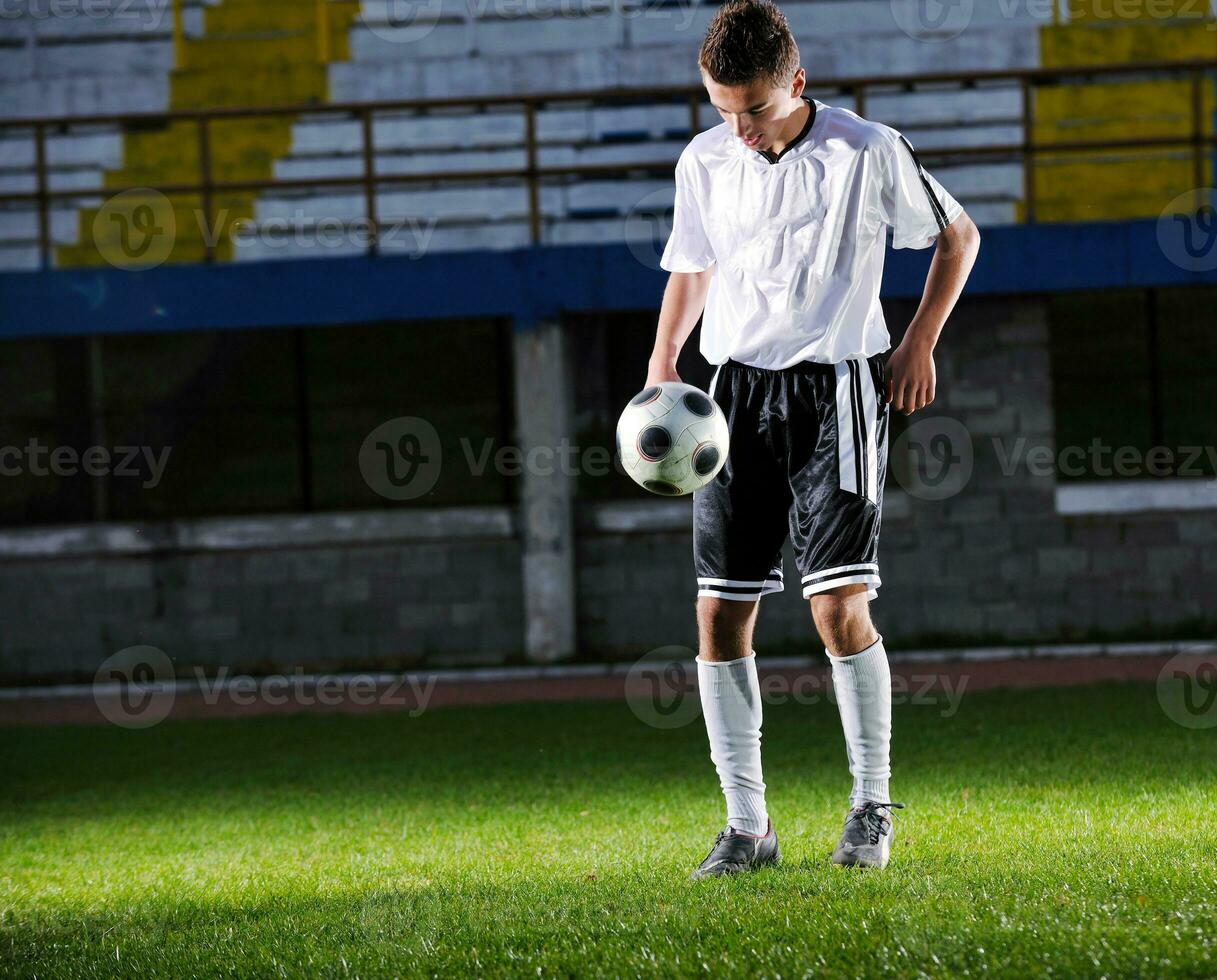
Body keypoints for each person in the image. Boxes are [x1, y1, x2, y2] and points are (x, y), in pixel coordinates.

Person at [647, 0, 980, 877]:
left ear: (795, 82)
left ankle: (870, 806)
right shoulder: (705, 159)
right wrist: (660, 365)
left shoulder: (865, 148)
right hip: (731, 400)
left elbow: (957, 236)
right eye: (721, 109)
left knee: (835, 608)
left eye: (752, 109)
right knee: (718, 612)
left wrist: (916, 343)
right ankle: (746, 827)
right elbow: (693, 265)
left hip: (836, 391)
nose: (738, 128)